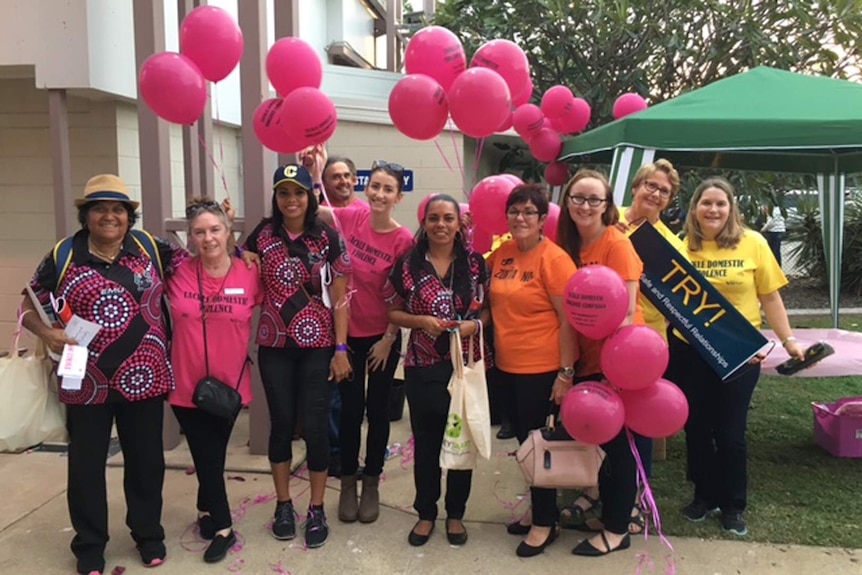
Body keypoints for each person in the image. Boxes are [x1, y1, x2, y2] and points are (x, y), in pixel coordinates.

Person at [20, 174, 186, 575]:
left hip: (143, 378)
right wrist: (46, 332)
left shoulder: (151, 248)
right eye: (100, 208)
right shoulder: (64, 254)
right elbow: (27, 303)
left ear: (129, 216)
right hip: (85, 382)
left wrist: (241, 252)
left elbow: (205, 263)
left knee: (146, 462)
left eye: (118, 209)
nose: (110, 216)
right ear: (86, 215)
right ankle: (90, 545)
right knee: (86, 466)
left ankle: (148, 535)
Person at [669, 178, 804, 536]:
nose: (713, 210)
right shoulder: (682, 246)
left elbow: (770, 298)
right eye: (706, 203)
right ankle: (703, 496)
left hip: (739, 354)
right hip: (691, 349)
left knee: (730, 432)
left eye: (720, 204)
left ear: (731, 209)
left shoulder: (754, 243)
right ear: (694, 208)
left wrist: (788, 340)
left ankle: (733, 504)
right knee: (696, 427)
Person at [242, 164, 352, 549]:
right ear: (276, 198)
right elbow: (237, 260)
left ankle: (317, 507)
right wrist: (244, 255)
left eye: (299, 193)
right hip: (275, 346)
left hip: (319, 347)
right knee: (282, 424)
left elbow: (341, 297)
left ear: (311, 197)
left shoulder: (328, 239)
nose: (291, 200)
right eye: (284, 193)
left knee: (317, 425)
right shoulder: (263, 234)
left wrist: (341, 348)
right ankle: (284, 505)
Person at [309, 151, 415, 524]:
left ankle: (372, 481)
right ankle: (350, 483)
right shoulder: (352, 217)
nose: (380, 194)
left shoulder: (403, 240)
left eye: (388, 190)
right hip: (348, 335)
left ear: (398, 197)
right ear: (365, 189)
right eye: (375, 186)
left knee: (379, 412)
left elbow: (403, 295)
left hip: (381, 337)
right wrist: (313, 170)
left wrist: (389, 338)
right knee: (351, 411)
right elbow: (318, 208)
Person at [385, 195, 490, 548]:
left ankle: (456, 514)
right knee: (428, 444)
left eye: (448, 218)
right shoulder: (408, 264)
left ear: (459, 223)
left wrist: (474, 326)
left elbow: (489, 309)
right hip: (422, 366)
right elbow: (393, 313)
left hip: (463, 368)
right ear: (425, 222)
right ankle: (426, 513)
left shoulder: (475, 264)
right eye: (434, 218)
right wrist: (420, 321)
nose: (441, 225)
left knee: (461, 441)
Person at [165, 198, 263, 563]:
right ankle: (223, 526)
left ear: (229, 232)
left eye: (215, 229)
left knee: (214, 454)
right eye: (199, 232)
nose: (208, 238)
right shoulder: (175, 271)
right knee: (206, 456)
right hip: (186, 385)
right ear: (189, 238)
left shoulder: (251, 271)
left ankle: (205, 509)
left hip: (231, 387)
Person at [555, 169, 643, 556]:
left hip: (620, 359)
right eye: (577, 197)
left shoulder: (616, 244)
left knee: (618, 446)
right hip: (589, 358)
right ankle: (613, 513)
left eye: (594, 199)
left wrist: (609, 371)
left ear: (607, 206)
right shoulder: (567, 245)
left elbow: (626, 309)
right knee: (601, 444)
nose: (585, 206)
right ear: (567, 201)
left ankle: (618, 530)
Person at [487, 184, 578, 558]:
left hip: (541, 370)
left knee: (539, 448)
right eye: (514, 211)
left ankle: (545, 523)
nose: (520, 218)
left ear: (543, 219)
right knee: (524, 446)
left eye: (529, 212)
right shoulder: (503, 253)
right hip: (506, 368)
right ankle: (537, 511)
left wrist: (565, 373)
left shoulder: (554, 259)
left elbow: (569, 321)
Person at [320, 153, 366, 476]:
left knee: (357, 398)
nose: (343, 181)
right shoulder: (320, 216)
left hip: (366, 318)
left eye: (347, 175)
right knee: (334, 393)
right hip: (333, 316)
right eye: (335, 176)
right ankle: (335, 454)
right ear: (325, 183)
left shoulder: (364, 213)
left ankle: (351, 452)